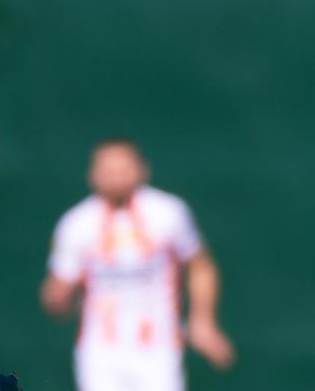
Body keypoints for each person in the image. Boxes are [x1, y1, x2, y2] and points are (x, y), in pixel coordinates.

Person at [41, 139, 235, 391]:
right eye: (108, 171)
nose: (116, 178)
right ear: (93, 175)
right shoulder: (77, 223)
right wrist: (57, 298)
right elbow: (59, 292)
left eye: (123, 169)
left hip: (158, 349)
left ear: (142, 169)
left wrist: (203, 321)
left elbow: (200, 266)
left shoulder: (168, 212)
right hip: (100, 352)